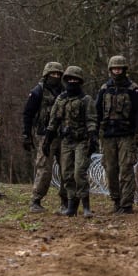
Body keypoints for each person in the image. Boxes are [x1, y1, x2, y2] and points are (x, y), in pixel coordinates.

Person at [43, 66, 97, 217]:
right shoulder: (61, 99)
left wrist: (93, 137)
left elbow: (91, 120)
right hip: (66, 141)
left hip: (82, 141)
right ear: (65, 81)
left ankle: (86, 206)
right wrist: (47, 139)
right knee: (66, 174)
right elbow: (53, 121)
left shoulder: (86, 100)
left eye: (75, 80)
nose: (72, 82)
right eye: (69, 79)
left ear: (80, 82)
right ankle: (72, 206)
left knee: (79, 172)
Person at [95, 55, 138, 214]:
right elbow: (97, 112)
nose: (117, 71)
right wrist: (95, 132)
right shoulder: (104, 89)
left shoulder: (133, 89)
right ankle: (116, 200)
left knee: (126, 169)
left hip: (126, 135)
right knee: (110, 169)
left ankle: (127, 204)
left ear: (124, 70)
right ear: (110, 70)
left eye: (120, 68)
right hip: (108, 135)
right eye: (115, 69)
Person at [22, 62, 67, 213]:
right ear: (46, 75)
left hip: (64, 135)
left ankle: (65, 201)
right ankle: (36, 200)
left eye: (58, 74)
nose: (55, 77)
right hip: (44, 135)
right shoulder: (37, 91)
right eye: (52, 74)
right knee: (44, 169)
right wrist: (26, 134)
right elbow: (28, 114)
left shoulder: (65, 90)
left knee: (66, 168)